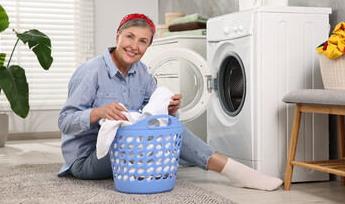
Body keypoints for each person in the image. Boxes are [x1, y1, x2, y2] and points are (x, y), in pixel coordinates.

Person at [58, 13, 283, 191]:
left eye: (143, 41)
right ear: (118, 36)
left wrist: (169, 110)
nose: (134, 45)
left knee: (169, 128)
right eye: (129, 37)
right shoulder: (92, 71)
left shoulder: (142, 73)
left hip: (126, 150)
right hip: (88, 159)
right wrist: (99, 112)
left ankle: (233, 171)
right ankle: (235, 171)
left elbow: (153, 118)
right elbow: (64, 122)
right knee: (152, 139)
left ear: (148, 46)